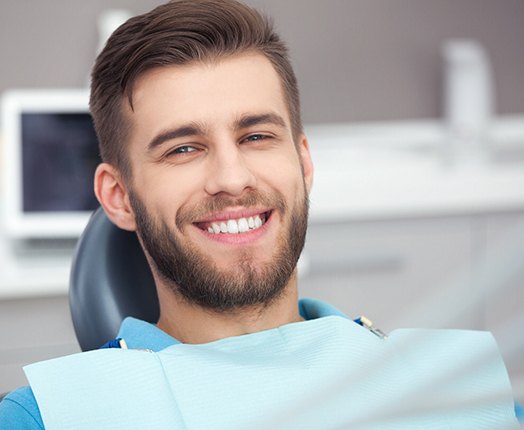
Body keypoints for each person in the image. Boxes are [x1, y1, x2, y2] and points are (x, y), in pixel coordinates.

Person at [0, 0, 521, 428]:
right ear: (118, 196)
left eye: (256, 136)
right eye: (183, 148)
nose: (232, 178)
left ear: (303, 161)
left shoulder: (461, 393)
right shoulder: (48, 416)